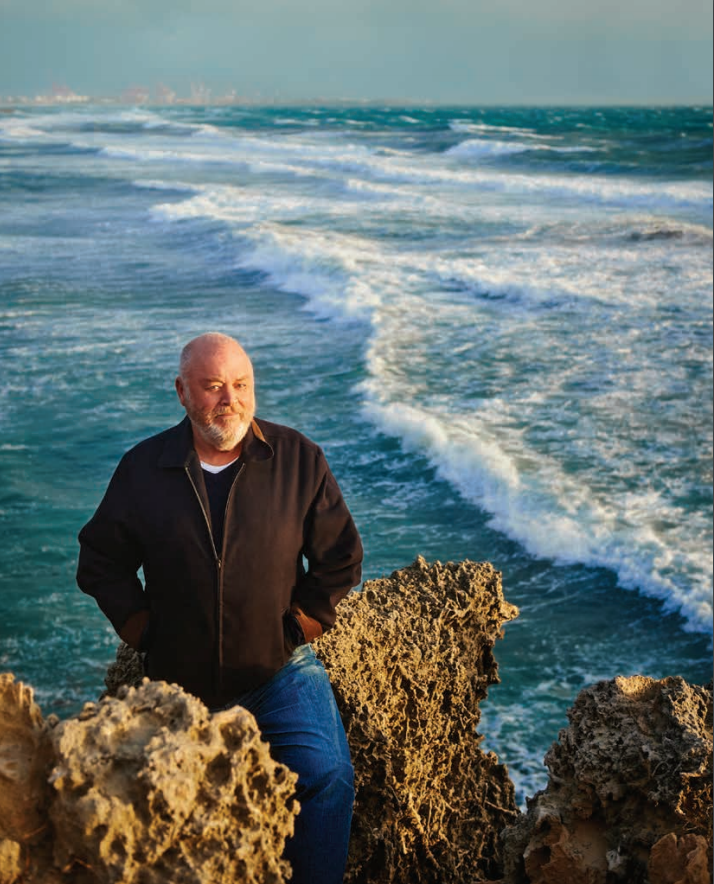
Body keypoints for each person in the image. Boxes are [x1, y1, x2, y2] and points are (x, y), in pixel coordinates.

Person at [77, 332, 363, 884]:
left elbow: (341, 557)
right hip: (178, 682)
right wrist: (143, 631)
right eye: (212, 387)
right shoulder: (143, 469)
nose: (229, 400)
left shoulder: (298, 459)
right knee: (158, 800)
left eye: (240, 385)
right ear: (182, 393)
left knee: (327, 775)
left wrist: (298, 627)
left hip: (279, 672)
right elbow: (100, 561)